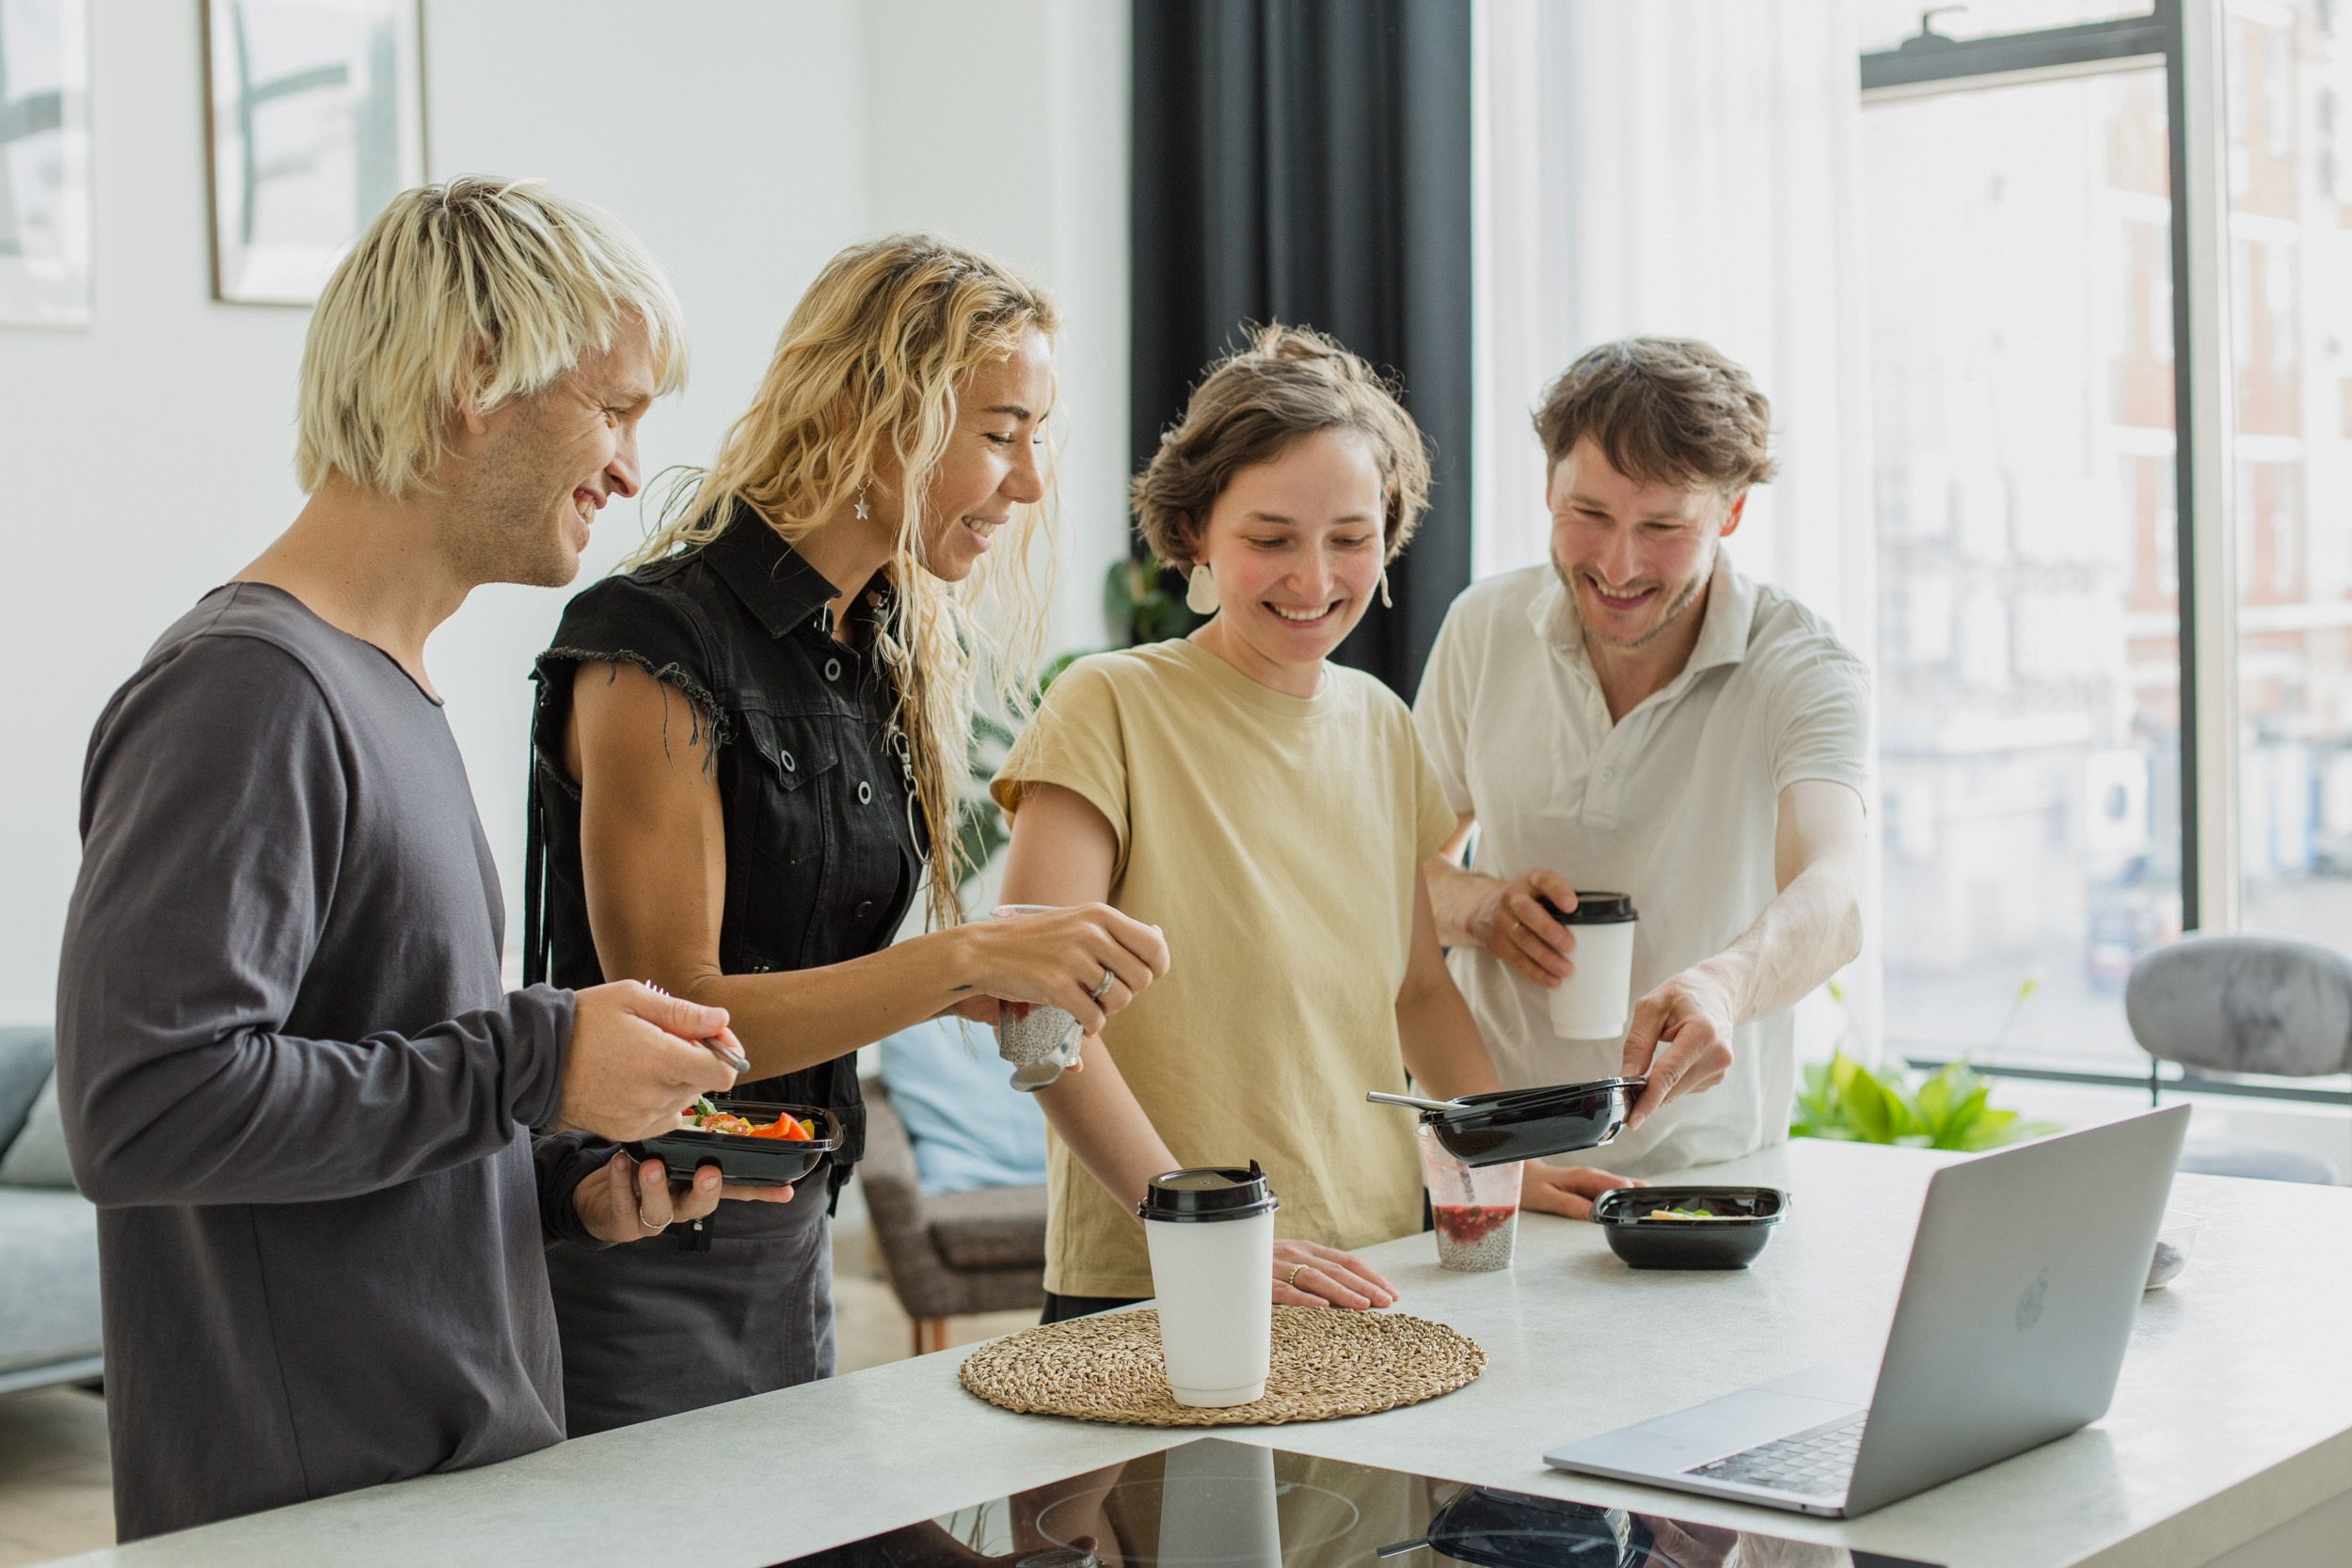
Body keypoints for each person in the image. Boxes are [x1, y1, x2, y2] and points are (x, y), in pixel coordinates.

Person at [54, 178, 786, 1542]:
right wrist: (533, 1059)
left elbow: (369, 1075)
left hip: (449, 1488)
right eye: (614, 407)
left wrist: (558, 1170)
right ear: (474, 377)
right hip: (326, 1516)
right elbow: (145, 1109)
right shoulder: (247, 693)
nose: (631, 467)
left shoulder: (387, 684)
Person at [528, 234, 1168, 1433]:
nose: (1028, 483)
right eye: (1000, 431)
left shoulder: (880, 645)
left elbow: (822, 968)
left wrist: (979, 979)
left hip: (790, 1234)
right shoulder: (650, 640)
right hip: (635, 1248)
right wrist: (963, 962)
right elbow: (676, 1016)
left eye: (1037, 437)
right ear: (874, 408)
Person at [991, 325, 1629, 1321]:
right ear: (1196, 530)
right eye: (1269, 537)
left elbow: (1418, 990)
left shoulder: (1380, 720)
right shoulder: (1105, 705)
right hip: (1159, 1276)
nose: (1314, 576)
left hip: (1372, 1261)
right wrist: (1196, 1223)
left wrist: (1508, 1154)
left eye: (1349, 536)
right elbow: (1035, 1012)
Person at [1414, 337, 1869, 1176]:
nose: (1618, 565)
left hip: (1709, 1174)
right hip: (1501, 1171)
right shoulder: (1482, 627)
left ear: (1729, 513)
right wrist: (1482, 908)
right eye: (1587, 514)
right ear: (1548, 486)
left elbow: (1834, 895)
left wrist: (1725, 985)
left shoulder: (1800, 664)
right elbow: (1402, 875)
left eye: (1663, 527)